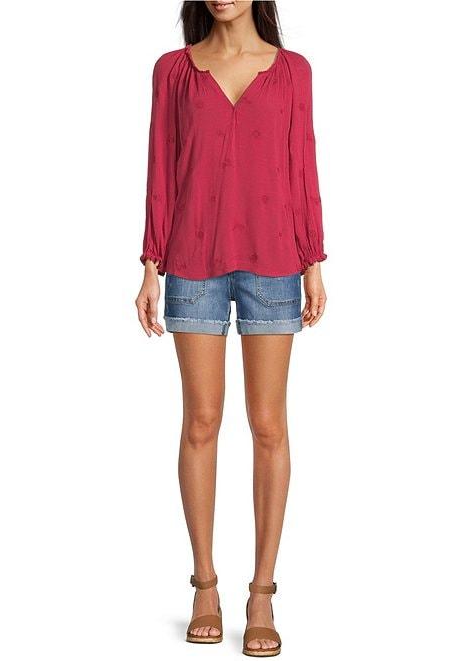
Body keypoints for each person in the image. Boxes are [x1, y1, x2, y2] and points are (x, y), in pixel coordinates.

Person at [135, 1, 327, 656]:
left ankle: (262, 592)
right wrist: (150, 264)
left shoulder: (293, 71)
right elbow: (161, 166)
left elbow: (302, 164)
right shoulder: (174, 71)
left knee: (269, 424)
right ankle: (205, 585)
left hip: (275, 261)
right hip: (193, 261)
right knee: (201, 421)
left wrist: (313, 260)